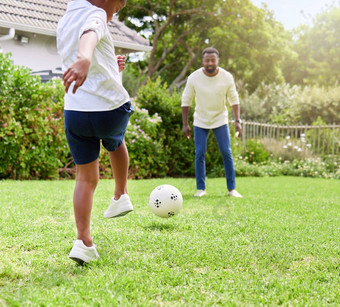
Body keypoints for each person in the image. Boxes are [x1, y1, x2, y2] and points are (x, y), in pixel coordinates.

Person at [57, 0, 133, 265]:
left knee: (85, 179)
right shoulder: (97, 13)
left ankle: (83, 241)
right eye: (117, 8)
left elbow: (90, 43)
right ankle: (120, 194)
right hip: (109, 110)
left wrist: (110, 65)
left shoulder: (65, 19)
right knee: (115, 142)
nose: (113, 15)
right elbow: (90, 34)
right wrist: (84, 58)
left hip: (76, 112)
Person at [181, 47, 243, 198]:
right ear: (203, 61)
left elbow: (234, 99)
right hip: (200, 120)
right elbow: (186, 100)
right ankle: (201, 189)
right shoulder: (194, 77)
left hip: (220, 119)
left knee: (226, 152)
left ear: (217, 61)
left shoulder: (227, 77)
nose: (210, 63)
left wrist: (237, 120)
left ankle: (231, 189)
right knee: (200, 153)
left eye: (212, 60)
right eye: (207, 60)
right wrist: (185, 124)